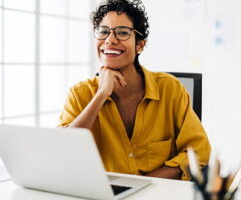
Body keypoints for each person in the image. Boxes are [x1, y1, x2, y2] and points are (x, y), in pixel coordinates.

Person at [58, 0, 210, 180]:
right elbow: (62, 152)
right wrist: (101, 95)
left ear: (140, 45)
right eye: (103, 31)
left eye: (122, 33)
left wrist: (142, 186)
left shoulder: (171, 89)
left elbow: (199, 153)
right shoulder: (80, 93)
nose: (110, 40)